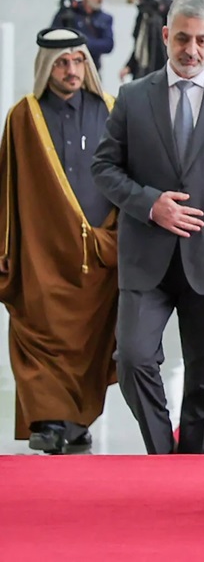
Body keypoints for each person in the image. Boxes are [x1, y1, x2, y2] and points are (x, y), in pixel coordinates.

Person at [92, 0, 204, 455]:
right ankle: (161, 453)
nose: (192, 50)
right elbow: (104, 168)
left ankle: (198, 465)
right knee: (132, 358)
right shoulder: (133, 97)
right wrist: (150, 204)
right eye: (183, 39)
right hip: (144, 258)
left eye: (202, 41)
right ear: (166, 36)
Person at [0, 29, 119, 454]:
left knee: (89, 344)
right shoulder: (23, 116)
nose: (71, 71)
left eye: (77, 61)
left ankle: (75, 421)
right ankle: (48, 422)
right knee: (39, 334)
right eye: (61, 63)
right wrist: (5, 249)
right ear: (46, 68)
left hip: (98, 255)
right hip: (42, 254)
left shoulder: (110, 111)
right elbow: (8, 187)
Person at [51, 0, 114, 70]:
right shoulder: (69, 14)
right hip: (66, 67)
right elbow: (53, 36)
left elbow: (108, 45)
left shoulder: (104, 18)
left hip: (91, 67)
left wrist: (79, 43)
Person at [122, 0, 170, 81]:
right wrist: (129, 66)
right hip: (142, 71)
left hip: (161, 70)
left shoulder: (165, 9)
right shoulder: (144, 11)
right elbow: (140, 42)